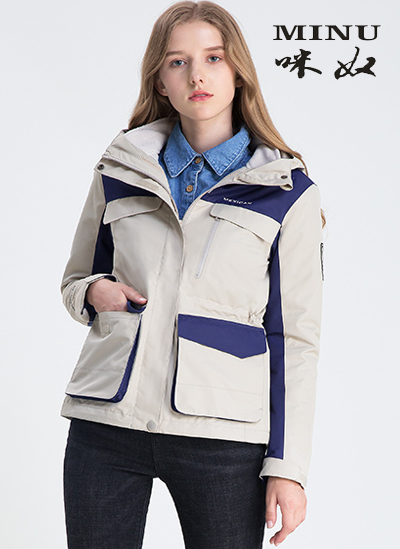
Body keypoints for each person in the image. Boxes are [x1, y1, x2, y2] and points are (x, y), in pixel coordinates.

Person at [61, 2, 323, 548]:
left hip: (222, 436)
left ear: (238, 71)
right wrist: (94, 292)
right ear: (160, 80)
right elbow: (77, 279)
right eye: (177, 62)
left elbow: (294, 337)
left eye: (213, 58)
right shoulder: (120, 168)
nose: (196, 75)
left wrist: (288, 466)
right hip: (108, 422)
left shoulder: (286, 190)